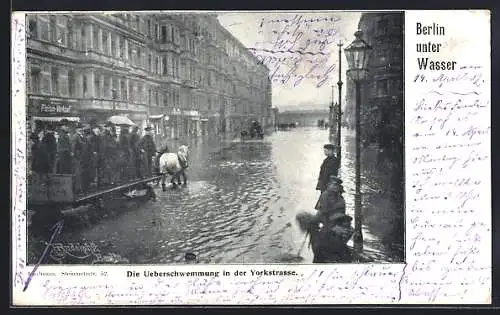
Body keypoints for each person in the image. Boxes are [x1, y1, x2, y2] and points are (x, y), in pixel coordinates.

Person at [71, 122, 86, 194]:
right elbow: (73, 148)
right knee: (78, 173)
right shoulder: (75, 136)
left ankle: (80, 188)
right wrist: (75, 156)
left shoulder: (81, 136)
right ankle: (77, 189)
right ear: (76, 129)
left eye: (81, 128)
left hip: (81, 157)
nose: (81, 130)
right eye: (79, 129)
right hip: (77, 158)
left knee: (80, 173)